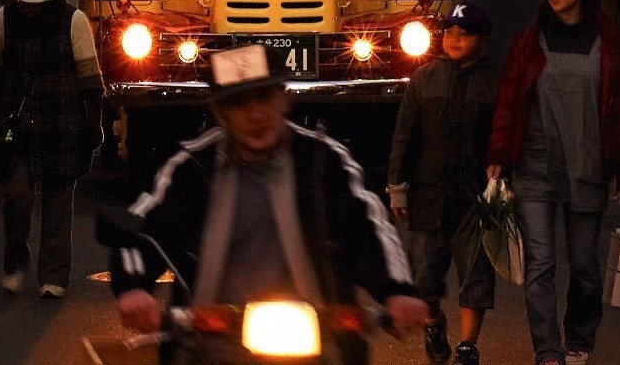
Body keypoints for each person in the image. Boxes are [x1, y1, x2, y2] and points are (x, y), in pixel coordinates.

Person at [110, 44, 430, 364]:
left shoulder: (324, 162)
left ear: (284, 98)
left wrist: (397, 291)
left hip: (320, 348)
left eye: (264, 98)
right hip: (208, 348)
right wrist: (133, 287)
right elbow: (139, 226)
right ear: (220, 113)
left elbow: (370, 224)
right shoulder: (190, 168)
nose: (256, 115)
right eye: (239, 104)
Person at [487, 0, 620, 365]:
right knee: (540, 263)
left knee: (586, 266)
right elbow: (509, 100)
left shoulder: (608, 42)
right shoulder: (529, 40)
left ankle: (579, 339)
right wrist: (498, 153)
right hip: (535, 165)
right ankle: (548, 350)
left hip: (587, 166)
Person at [388, 3, 501, 365]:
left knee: (475, 273)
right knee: (423, 278)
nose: (454, 39)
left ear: (481, 39)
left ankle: (468, 347)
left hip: (476, 198)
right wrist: (397, 187)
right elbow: (404, 136)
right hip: (428, 193)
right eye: (449, 32)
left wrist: (506, 184)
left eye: (463, 33)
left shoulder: (494, 83)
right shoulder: (424, 79)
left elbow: (509, 137)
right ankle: (434, 323)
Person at [0, 0, 103, 299]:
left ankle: (53, 277)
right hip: (16, 125)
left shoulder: (73, 21)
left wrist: (93, 124)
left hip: (63, 122)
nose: (26, 10)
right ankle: (15, 255)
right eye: (21, 4)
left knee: (58, 202)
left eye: (31, 4)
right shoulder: (1, 21)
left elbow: (91, 81)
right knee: (16, 196)